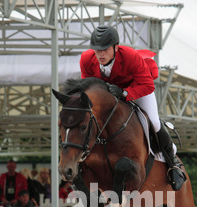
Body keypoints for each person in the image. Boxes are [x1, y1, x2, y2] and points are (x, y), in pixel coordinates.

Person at [79, 25, 186, 191]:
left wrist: (124, 93)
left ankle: (173, 165)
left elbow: (147, 85)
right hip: (109, 94)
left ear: (116, 47)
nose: (100, 54)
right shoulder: (86, 59)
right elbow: (89, 88)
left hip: (136, 89)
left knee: (155, 123)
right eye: (97, 50)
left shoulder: (130, 57)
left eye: (105, 50)